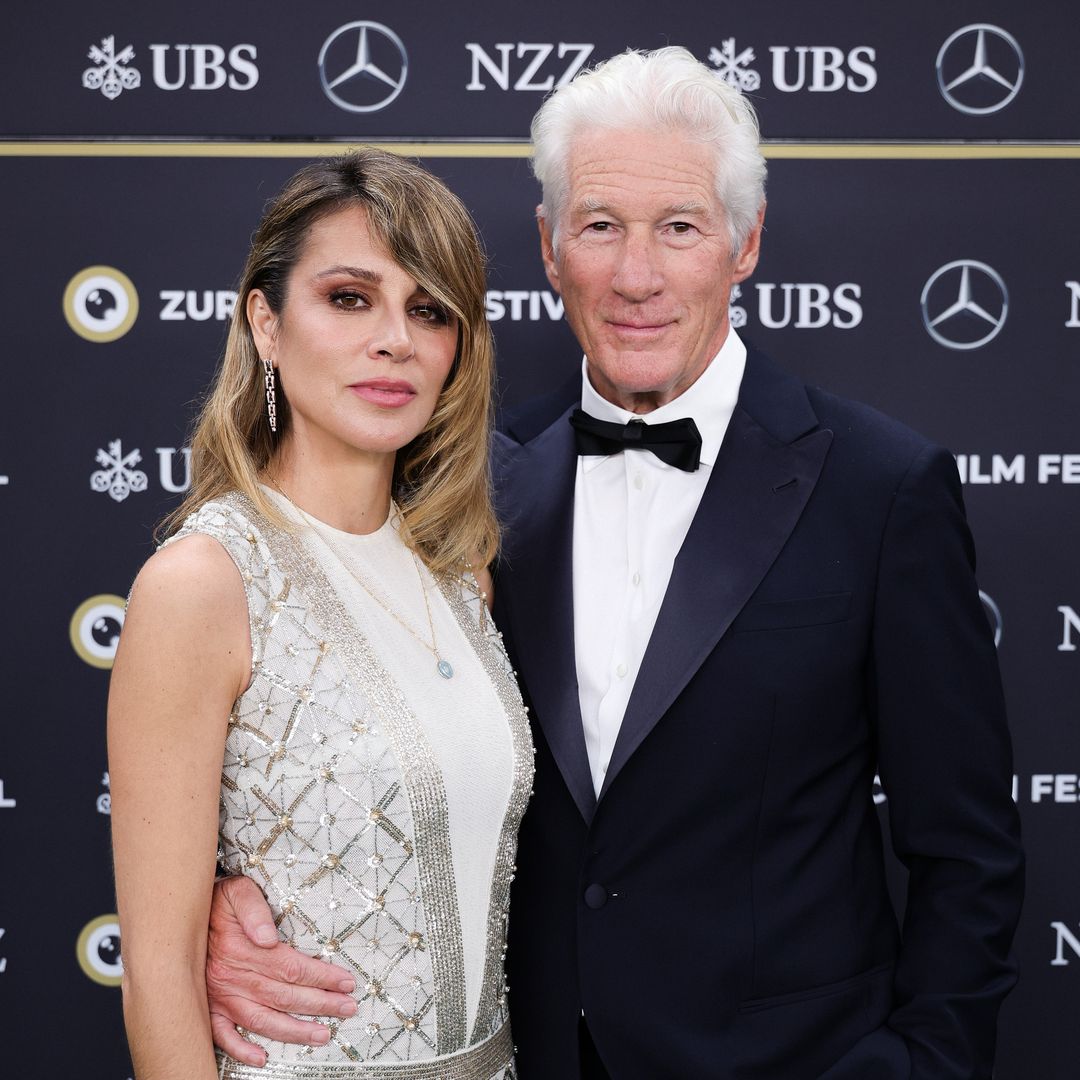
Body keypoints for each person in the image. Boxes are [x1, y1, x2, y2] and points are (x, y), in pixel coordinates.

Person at [201, 49, 1024, 1079]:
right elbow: (353, 751)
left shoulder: (882, 489)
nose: (637, 276)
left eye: (679, 227)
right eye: (599, 227)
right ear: (550, 249)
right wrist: (236, 898)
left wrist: (920, 1065)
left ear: (745, 243)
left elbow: (967, 852)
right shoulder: (462, 494)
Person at [108, 149, 532, 1080]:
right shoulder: (204, 583)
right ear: (265, 321)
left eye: (429, 310)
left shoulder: (464, 580)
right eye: (350, 297)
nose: (396, 340)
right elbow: (157, 973)